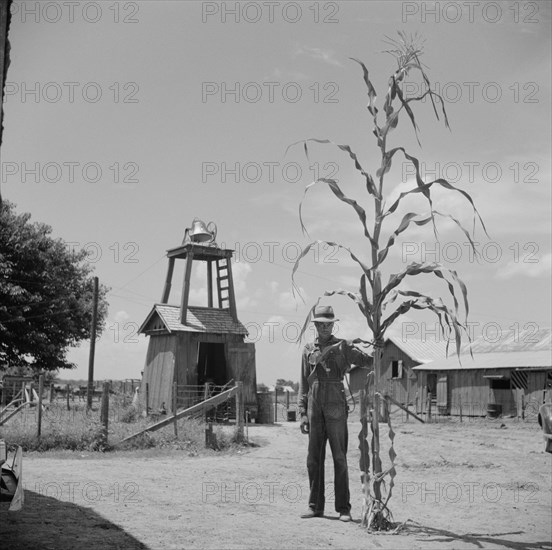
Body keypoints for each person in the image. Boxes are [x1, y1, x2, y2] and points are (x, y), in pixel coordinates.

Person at [297, 305, 372, 522]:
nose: (325, 327)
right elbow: (303, 382)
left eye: (328, 323)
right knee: (313, 458)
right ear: (316, 325)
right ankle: (315, 507)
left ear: (333, 324)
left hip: (336, 404)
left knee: (339, 456)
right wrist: (302, 412)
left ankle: (343, 508)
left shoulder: (343, 347)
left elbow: (368, 361)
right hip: (314, 405)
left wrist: (378, 346)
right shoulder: (308, 349)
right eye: (320, 324)